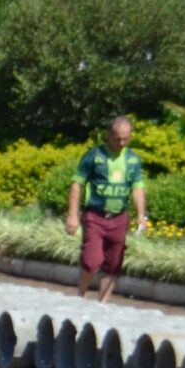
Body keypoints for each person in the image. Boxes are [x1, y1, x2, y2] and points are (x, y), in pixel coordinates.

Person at [67, 116, 148, 304]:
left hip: (119, 218)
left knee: (113, 265)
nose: (121, 143)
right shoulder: (94, 156)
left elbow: (137, 188)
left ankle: (102, 305)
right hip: (95, 216)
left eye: (126, 138)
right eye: (117, 138)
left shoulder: (133, 160)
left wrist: (141, 215)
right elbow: (76, 184)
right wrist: (72, 214)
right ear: (108, 136)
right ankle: (81, 297)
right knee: (91, 261)